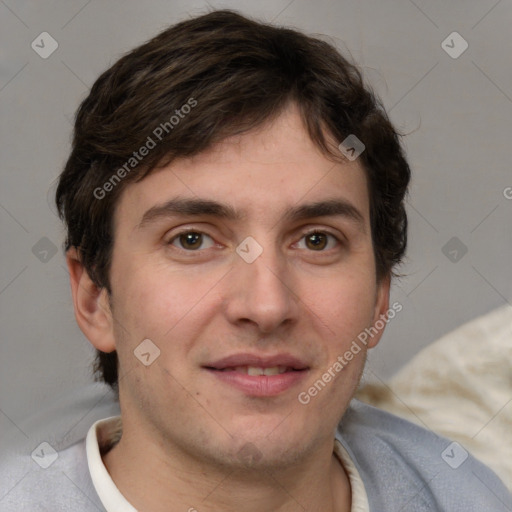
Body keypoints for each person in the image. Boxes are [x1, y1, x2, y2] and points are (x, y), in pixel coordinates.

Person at [4, 9, 511, 512]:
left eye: (316, 240)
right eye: (192, 240)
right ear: (95, 300)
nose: (266, 306)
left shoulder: (470, 494)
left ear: (380, 299)